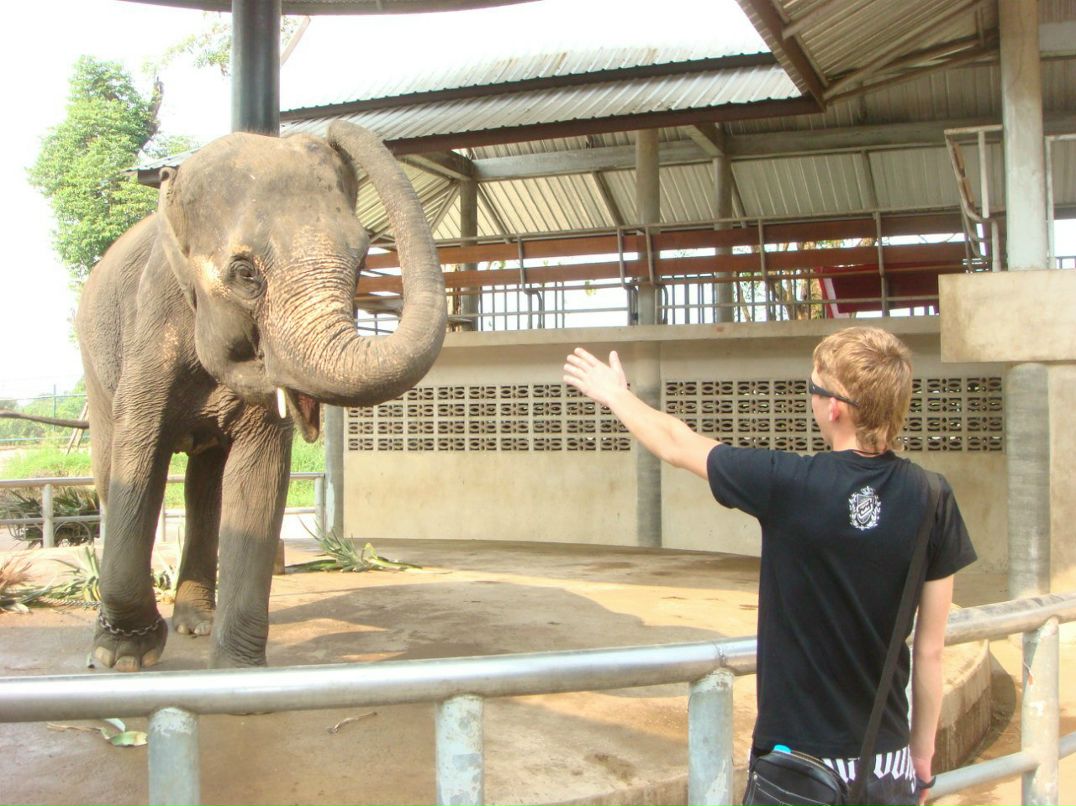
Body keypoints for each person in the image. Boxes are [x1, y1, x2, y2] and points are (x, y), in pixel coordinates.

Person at [563, 326, 976, 806]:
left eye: (814, 389)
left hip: (797, 764)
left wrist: (616, 396)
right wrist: (920, 757)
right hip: (886, 764)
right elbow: (930, 652)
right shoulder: (933, 497)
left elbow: (678, 443)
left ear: (835, 407)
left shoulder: (792, 486)